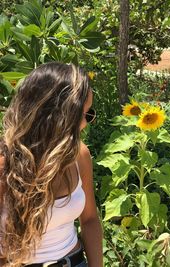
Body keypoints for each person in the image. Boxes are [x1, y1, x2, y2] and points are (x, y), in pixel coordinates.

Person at [0, 62, 103, 267]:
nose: (86, 123)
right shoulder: (5, 164)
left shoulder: (79, 155)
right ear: (58, 117)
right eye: (85, 115)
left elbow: (90, 219)